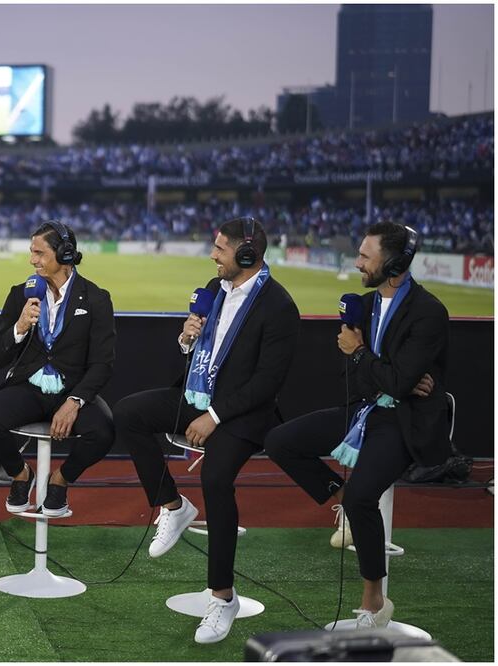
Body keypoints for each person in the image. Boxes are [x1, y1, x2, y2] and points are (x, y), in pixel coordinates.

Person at [112, 217, 300, 644]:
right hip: (198, 397)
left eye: (220, 249)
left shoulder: (279, 307)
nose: (212, 255)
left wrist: (214, 416)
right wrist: (186, 338)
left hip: (244, 413)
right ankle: (173, 506)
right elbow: (202, 352)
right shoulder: (214, 291)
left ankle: (223, 597)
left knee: (215, 479)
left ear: (247, 255)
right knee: (128, 413)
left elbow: (266, 384)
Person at [264, 222, 449, 629]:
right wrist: (379, 368)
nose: (357, 262)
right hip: (366, 409)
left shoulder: (429, 311)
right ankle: (343, 498)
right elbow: (364, 377)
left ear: (395, 263)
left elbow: (395, 383)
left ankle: (375, 602)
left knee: (365, 499)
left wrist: (362, 353)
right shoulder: (362, 306)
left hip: (403, 421)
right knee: (280, 441)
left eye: (366, 256)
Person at [0, 221, 115, 517]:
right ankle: (21, 474)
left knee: (103, 432)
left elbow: (102, 363)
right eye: (31, 252)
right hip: (28, 387)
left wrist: (74, 402)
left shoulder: (96, 299)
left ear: (64, 254)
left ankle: (61, 480)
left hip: (72, 389)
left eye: (39, 253)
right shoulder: (21, 294)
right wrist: (20, 326)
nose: (32, 260)